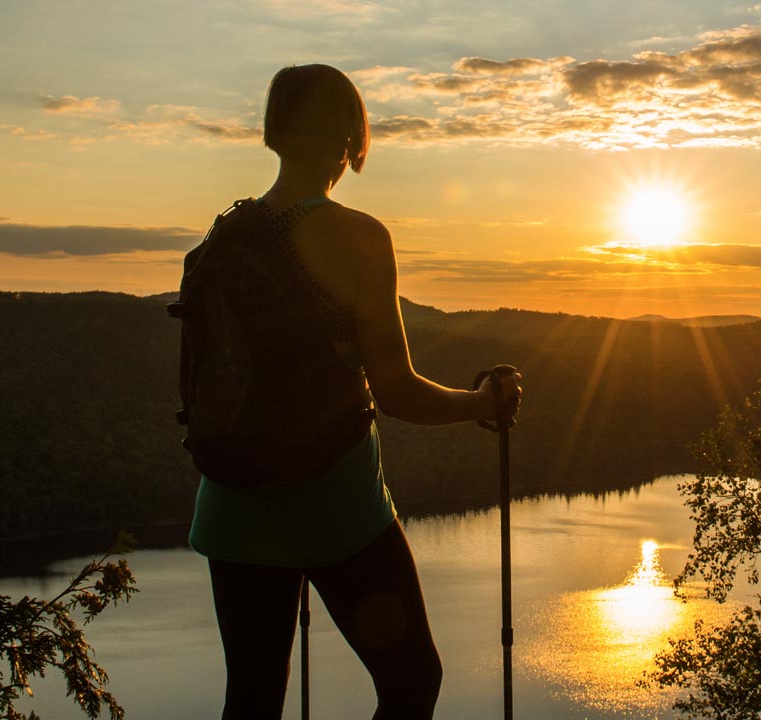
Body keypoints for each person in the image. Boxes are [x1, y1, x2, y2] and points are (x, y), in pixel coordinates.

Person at [187, 63, 522, 720]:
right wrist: (484, 404)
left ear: (273, 133)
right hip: (335, 504)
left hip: (230, 505)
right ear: (349, 138)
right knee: (412, 680)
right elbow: (396, 393)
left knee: (251, 700)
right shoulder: (360, 238)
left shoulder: (216, 244)